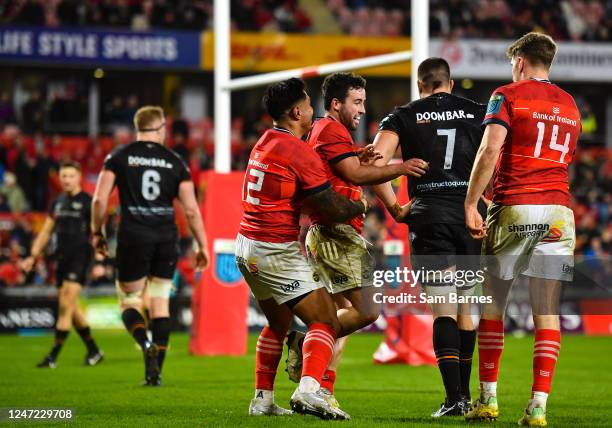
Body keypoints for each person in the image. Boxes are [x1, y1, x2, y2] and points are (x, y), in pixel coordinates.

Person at [288, 72, 427, 416]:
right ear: (337, 104)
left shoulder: (328, 132)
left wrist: (358, 158)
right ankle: (307, 346)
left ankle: (320, 387)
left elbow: (345, 169)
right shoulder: (331, 130)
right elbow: (354, 175)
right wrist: (401, 167)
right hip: (338, 233)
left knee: (337, 318)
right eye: (357, 102)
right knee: (367, 311)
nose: (363, 109)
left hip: (326, 233)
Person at [463, 32, 581, 426]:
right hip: (559, 212)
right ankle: (538, 408)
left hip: (516, 204)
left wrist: (470, 202)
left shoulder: (507, 94)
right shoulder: (570, 105)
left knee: (493, 304)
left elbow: (490, 148)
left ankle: (488, 400)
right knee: (547, 313)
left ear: (520, 60)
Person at [236, 78, 369, 420]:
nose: (313, 111)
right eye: (309, 106)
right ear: (297, 111)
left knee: (278, 324)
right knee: (324, 318)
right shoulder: (299, 150)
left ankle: (262, 400)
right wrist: (359, 206)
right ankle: (309, 390)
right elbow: (330, 208)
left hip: (246, 245)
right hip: (275, 248)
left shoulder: (265, 141)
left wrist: (353, 156)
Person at [371, 58, 487, 417]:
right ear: (450, 84)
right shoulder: (478, 112)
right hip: (469, 216)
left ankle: (453, 400)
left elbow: (374, 166)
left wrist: (396, 207)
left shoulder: (402, 116)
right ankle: (467, 398)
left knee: (443, 309)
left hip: (429, 217)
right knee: (467, 309)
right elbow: (495, 155)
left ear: (420, 85)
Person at [91, 106, 209, 386]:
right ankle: (155, 373)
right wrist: (202, 245)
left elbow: (98, 200)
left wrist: (97, 233)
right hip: (166, 236)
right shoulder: (175, 161)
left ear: (138, 127)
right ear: (159, 128)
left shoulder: (119, 156)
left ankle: (145, 344)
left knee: (129, 301)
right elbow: (191, 210)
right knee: (160, 304)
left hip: (133, 234)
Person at [22, 161, 103, 368]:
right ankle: (94, 350)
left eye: (70, 175)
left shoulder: (87, 202)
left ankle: (53, 356)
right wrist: (33, 255)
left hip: (81, 258)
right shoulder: (57, 203)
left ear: (79, 177)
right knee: (71, 308)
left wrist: (101, 258)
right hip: (62, 259)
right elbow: (46, 232)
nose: (66, 179)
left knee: (65, 306)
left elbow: (98, 231)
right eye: (63, 176)